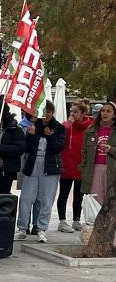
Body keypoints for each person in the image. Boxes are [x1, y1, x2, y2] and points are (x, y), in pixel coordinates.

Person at [15, 101, 65, 243]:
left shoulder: (59, 127)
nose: (46, 115)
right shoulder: (34, 126)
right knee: (25, 198)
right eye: (43, 112)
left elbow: (58, 148)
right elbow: (27, 149)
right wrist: (30, 136)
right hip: (33, 164)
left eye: (48, 112)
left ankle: (42, 229)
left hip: (50, 166)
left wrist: (49, 136)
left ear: (52, 112)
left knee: (46, 199)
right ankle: (22, 228)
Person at [57, 101, 91, 231]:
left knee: (79, 195)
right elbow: (60, 137)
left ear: (83, 113)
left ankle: (76, 219)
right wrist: (67, 125)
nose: (72, 114)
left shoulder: (90, 126)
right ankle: (62, 221)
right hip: (66, 164)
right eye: (71, 111)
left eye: (75, 111)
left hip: (81, 165)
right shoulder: (67, 125)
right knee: (64, 194)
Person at [0, 101, 26, 194]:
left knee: (2, 196)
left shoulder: (15, 129)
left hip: (6, 170)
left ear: (1, 113)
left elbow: (20, 149)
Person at [80, 100, 116, 206]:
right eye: (103, 111)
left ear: (114, 115)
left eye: (108, 111)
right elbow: (84, 152)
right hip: (94, 169)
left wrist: (111, 149)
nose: (105, 113)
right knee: (95, 200)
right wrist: (83, 170)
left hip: (112, 169)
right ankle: (97, 222)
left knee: (111, 202)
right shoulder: (91, 130)